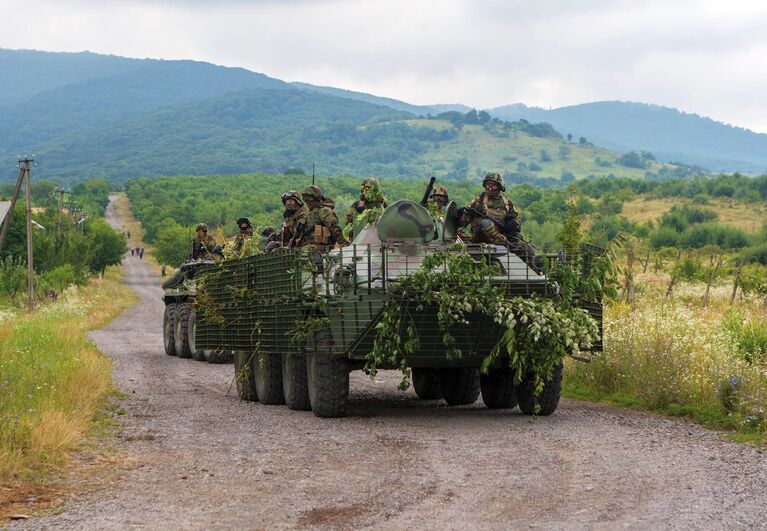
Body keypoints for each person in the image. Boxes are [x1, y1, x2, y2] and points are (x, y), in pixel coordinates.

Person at [458, 172, 542, 272]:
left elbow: (517, 220)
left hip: (505, 237)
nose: (490, 188)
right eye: (488, 185)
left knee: (527, 248)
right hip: (481, 238)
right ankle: (504, 244)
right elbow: (461, 223)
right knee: (486, 223)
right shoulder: (478, 202)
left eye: (493, 185)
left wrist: (513, 224)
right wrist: (461, 216)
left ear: (499, 186)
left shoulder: (506, 202)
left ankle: (538, 272)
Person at [294, 185, 346, 250]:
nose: (307, 201)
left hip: (320, 249)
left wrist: (344, 245)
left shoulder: (324, 211)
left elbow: (335, 230)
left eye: (309, 198)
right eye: (305, 199)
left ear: (316, 198)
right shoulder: (307, 213)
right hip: (306, 248)